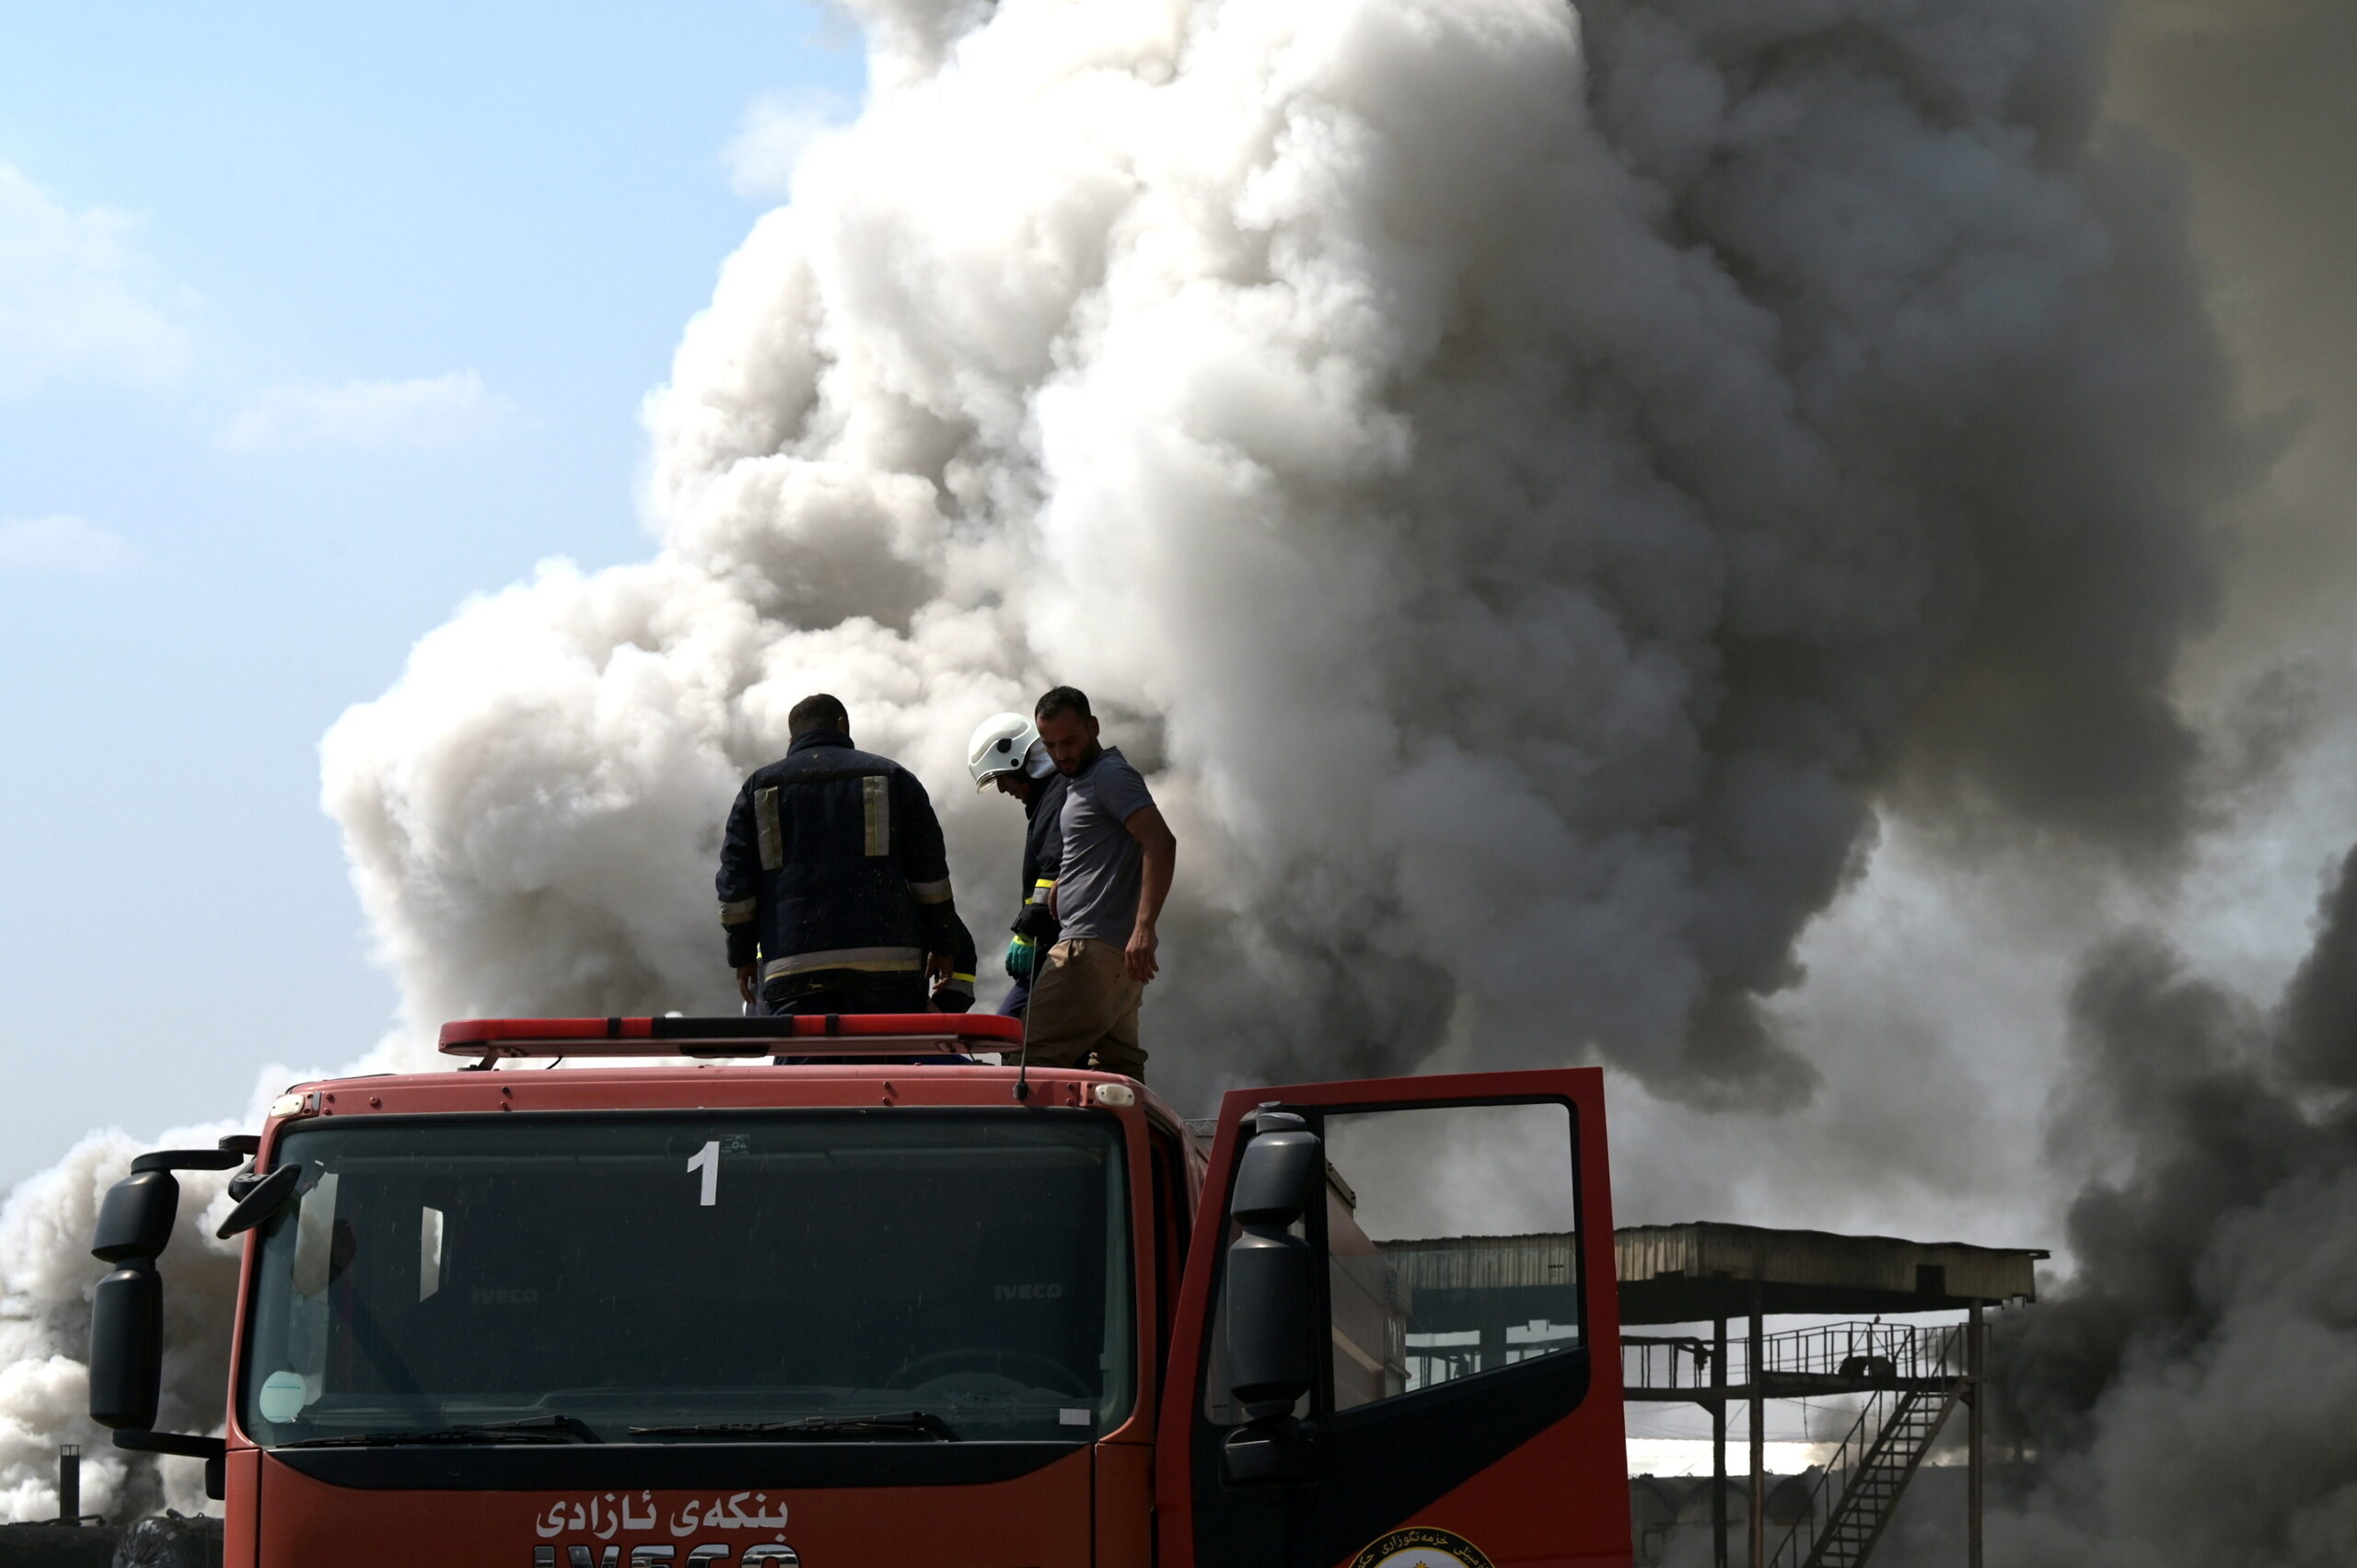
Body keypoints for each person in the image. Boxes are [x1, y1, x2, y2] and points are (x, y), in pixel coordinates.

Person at [716, 692, 976, 1015]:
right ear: (843, 725)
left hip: (793, 969)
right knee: (883, 1063)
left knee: (808, 1065)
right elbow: (930, 877)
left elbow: (735, 888)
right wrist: (944, 944)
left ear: (791, 738)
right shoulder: (894, 778)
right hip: (888, 971)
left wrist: (741, 956)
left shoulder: (757, 788)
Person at [1021, 686, 1177, 1076]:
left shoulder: (1109, 775)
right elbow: (1103, 845)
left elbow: (1161, 842)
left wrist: (1144, 928)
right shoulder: (1086, 779)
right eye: (1050, 745)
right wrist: (1064, 884)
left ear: (1093, 727)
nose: (1061, 754)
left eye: (1070, 741)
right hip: (1112, 957)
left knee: (1026, 1064)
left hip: (1089, 951)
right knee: (1116, 1074)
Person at [966, 711, 1068, 1020]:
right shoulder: (1051, 798)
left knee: (1016, 1035)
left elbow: (1055, 870)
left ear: (1019, 766)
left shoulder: (1056, 798)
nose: (1001, 789)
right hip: (1054, 941)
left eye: (1001, 779)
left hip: (1059, 944)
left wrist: (1027, 932)